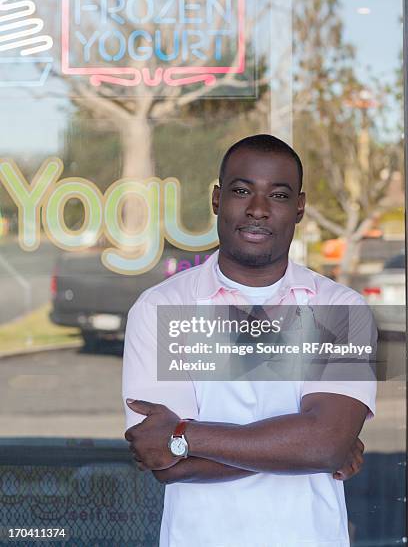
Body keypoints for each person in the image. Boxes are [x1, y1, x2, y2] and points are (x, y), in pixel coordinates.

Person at [123, 134, 376, 547]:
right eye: (242, 191)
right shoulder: (161, 308)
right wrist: (306, 447)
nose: (258, 209)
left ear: (299, 207)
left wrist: (185, 434)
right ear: (217, 199)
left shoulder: (339, 307)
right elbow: (164, 461)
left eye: (278, 195)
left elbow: (325, 446)